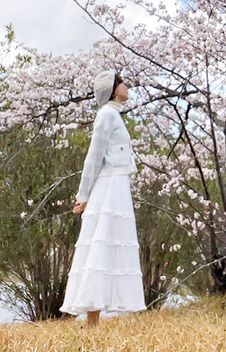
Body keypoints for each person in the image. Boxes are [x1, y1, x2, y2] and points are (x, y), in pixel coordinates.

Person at [60, 70, 146, 326]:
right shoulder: (107, 115)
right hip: (108, 188)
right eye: (121, 83)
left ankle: (94, 320)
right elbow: (94, 157)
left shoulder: (113, 115)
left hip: (116, 186)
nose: (126, 86)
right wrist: (83, 195)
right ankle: (92, 321)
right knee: (101, 246)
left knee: (109, 246)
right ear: (112, 89)